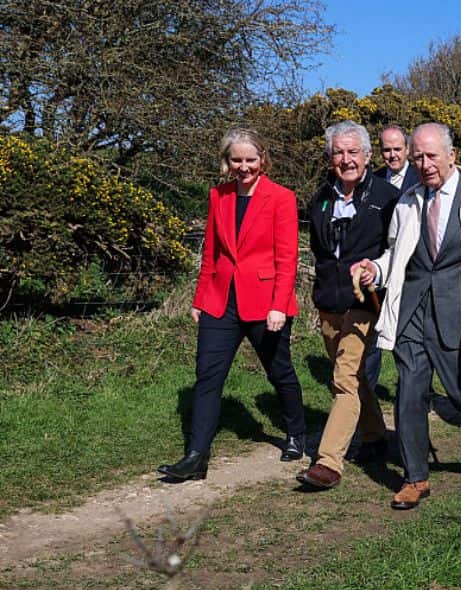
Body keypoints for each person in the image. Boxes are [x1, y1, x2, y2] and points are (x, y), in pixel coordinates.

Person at [350, 122, 461, 510]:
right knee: (409, 393)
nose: (425, 164)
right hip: (412, 311)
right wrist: (375, 271)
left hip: (459, 312)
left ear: (452, 155)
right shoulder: (409, 201)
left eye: (431, 156)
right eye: (418, 157)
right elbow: (395, 255)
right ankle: (415, 478)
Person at [158, 128, 306, 481]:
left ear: (263, 160)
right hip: (220, 301)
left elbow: (288, 259)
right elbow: (210, 252)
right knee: (207, 377)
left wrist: (279, 305)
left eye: (250, 160)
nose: (243, 167)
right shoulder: (218, 196)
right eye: (236, 160)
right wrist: (199, 299)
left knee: (279, 371)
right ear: (227, 162)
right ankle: (196, 456)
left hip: (266, 302)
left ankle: (296, 433)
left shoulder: (281, 197)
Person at [294, 121, 398, 490]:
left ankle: (328, 462)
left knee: (343, 377)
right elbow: (320, 252)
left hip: (364, 302)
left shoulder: (387, 197)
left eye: (353, 152)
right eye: (338, 152)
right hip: (329, 303)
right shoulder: (321, 197)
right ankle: (375, 436)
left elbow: (396, 249)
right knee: (352, 379)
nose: (346, 159)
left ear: (368, 156)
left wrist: (377, 273)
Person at [363, 124, 416, 396]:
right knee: (372, 339)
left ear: (407, 149)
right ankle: (368, 400)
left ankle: (414, 393)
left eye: (398, 149)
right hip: (379, 269)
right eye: (387, 149)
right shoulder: (372, 180)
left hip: (411, 270)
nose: (393, 155)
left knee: (409, 338)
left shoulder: (421, 178)